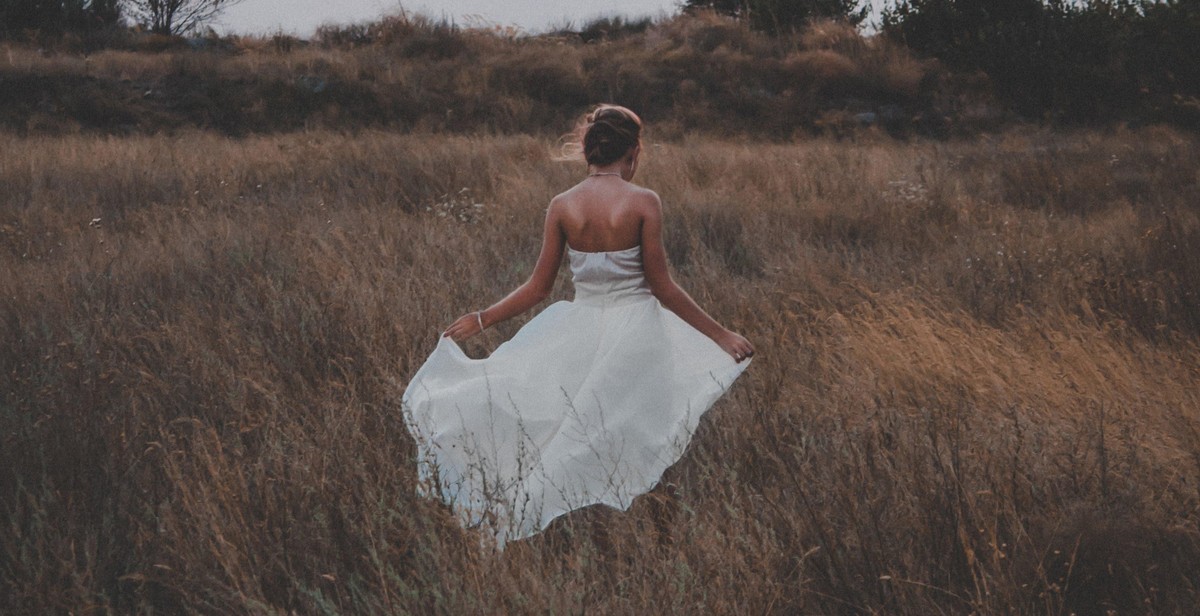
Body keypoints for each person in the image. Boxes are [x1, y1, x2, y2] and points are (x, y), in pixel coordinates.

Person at [402, 104, 754, 546]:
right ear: (634, 152)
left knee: (567, 428)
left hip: (578, 328)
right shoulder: (643, 202)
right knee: (644, 428)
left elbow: (538, 287)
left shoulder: (563, 205)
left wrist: (482, 318)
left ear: (586, 150)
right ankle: (658, 534)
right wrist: (720, 335)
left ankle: (570, 522)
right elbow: (662, 287)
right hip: (638, 332)